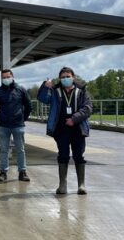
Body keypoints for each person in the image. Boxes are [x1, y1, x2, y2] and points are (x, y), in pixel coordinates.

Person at [37, 67, 93, 195]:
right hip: (61, 129)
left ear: (73, 77)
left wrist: (74, 119)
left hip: (78, 128)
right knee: (63, 155)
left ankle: (81, 185)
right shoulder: (54, 90)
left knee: (79, 155)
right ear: (59, 79)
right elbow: (43, 99)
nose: (65, 79)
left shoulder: (82, 91)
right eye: (63, 77)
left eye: (68, 76)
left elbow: (88, 108)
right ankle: (62, 185)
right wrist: (45, 87)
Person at [0, 68, 32, 183]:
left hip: (18, 125)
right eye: (3, 77)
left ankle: (22, 172)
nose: (6, 79)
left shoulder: (21, 89)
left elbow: (29, 106)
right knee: (4, 150)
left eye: (8, 77)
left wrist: (23, 119)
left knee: (21, 149)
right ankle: (3, 172)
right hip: (3, 125)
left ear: (12, 76)